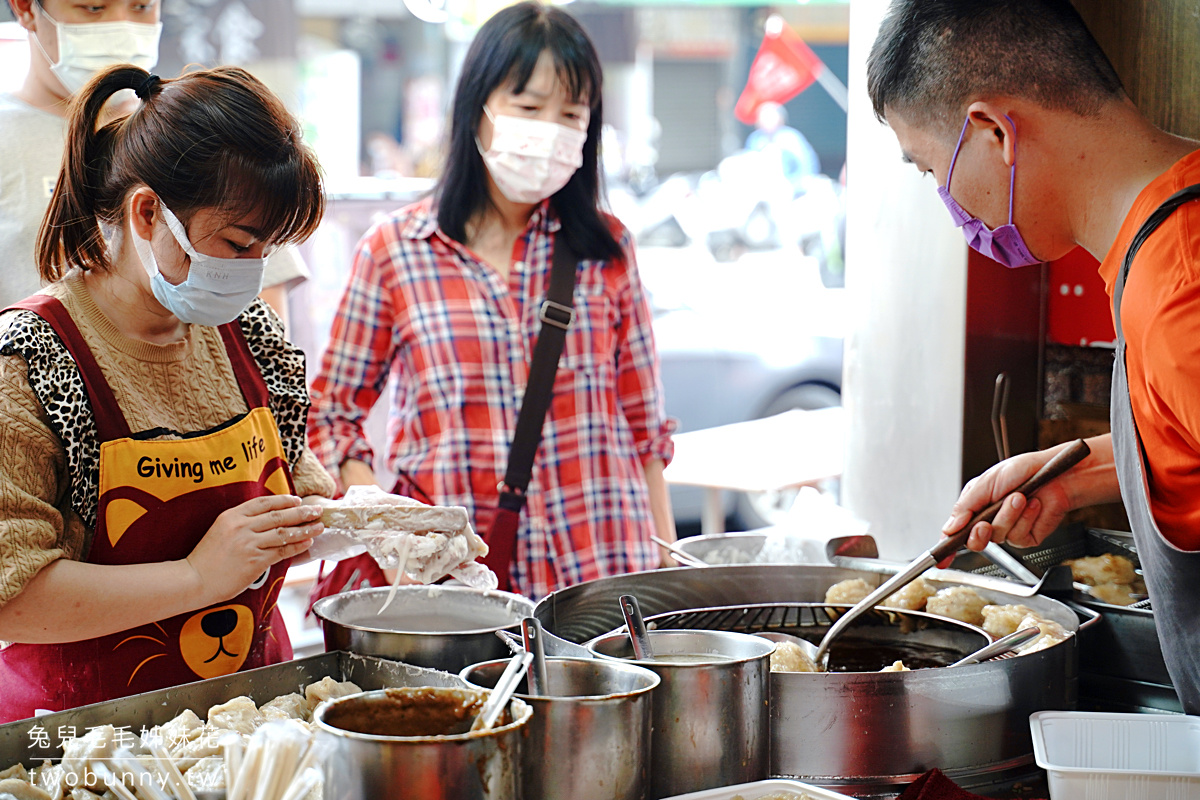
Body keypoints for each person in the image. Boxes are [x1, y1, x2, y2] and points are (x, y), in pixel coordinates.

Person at [868, 0, 1200, 711]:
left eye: (931, 169)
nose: (946, 201)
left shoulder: (1182, 286)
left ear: (993, 132)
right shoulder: (1166, 235)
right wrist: (1075, 476)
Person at [308, 1, 676, 600]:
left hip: (605, 578)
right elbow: (331, 411)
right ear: (477, 110)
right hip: (455, 593)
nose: (550, 130)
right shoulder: (394, 250)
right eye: (529, 108)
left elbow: (644, 428)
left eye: (571, 113)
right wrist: (382, 525)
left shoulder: (607, 249)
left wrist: (668, 580)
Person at [0, 63, 335, 721]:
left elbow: (300, 499)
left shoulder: (250, 338)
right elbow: (11, 595)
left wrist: (377, 524)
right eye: (238, 244)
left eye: (266, 250)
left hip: (249, 722)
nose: (251, 271)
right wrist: (199, 578)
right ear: (148, 212)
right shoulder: (32, 364)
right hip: (88, 743)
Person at [1, 0, 309, 321]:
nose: (122, 27)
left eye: (142, 7)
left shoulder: (201, 136)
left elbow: (263, 306)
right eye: (93, 8)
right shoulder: (8, 138)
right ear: (24, 7)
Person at [745, 101, 821, 195]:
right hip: (763, 188)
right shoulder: (755, 139)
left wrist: (803, 184)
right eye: (764, 118)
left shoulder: (791, 137)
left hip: (791, 186)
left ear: (780, 119)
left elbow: (806, 162)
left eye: (770, 118)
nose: (767, 122)